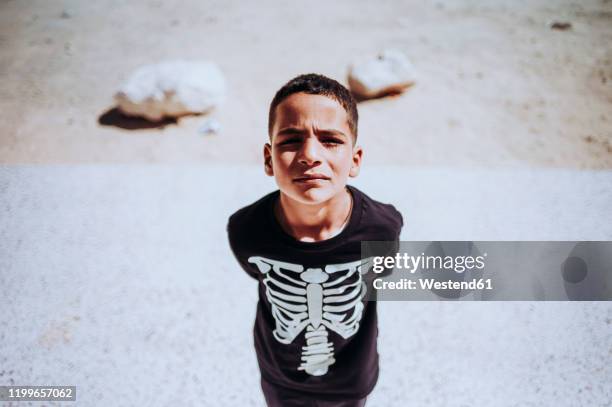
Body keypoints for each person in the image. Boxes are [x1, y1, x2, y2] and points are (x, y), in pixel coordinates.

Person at [227, 73, 403, 407]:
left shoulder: (382, 227)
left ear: (355, 160)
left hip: (351, 380)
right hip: (280, 378)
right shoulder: (246, 230)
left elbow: (380, 272)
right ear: (268, 159)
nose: (310, 154)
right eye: (291, 140)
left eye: (331, 140)